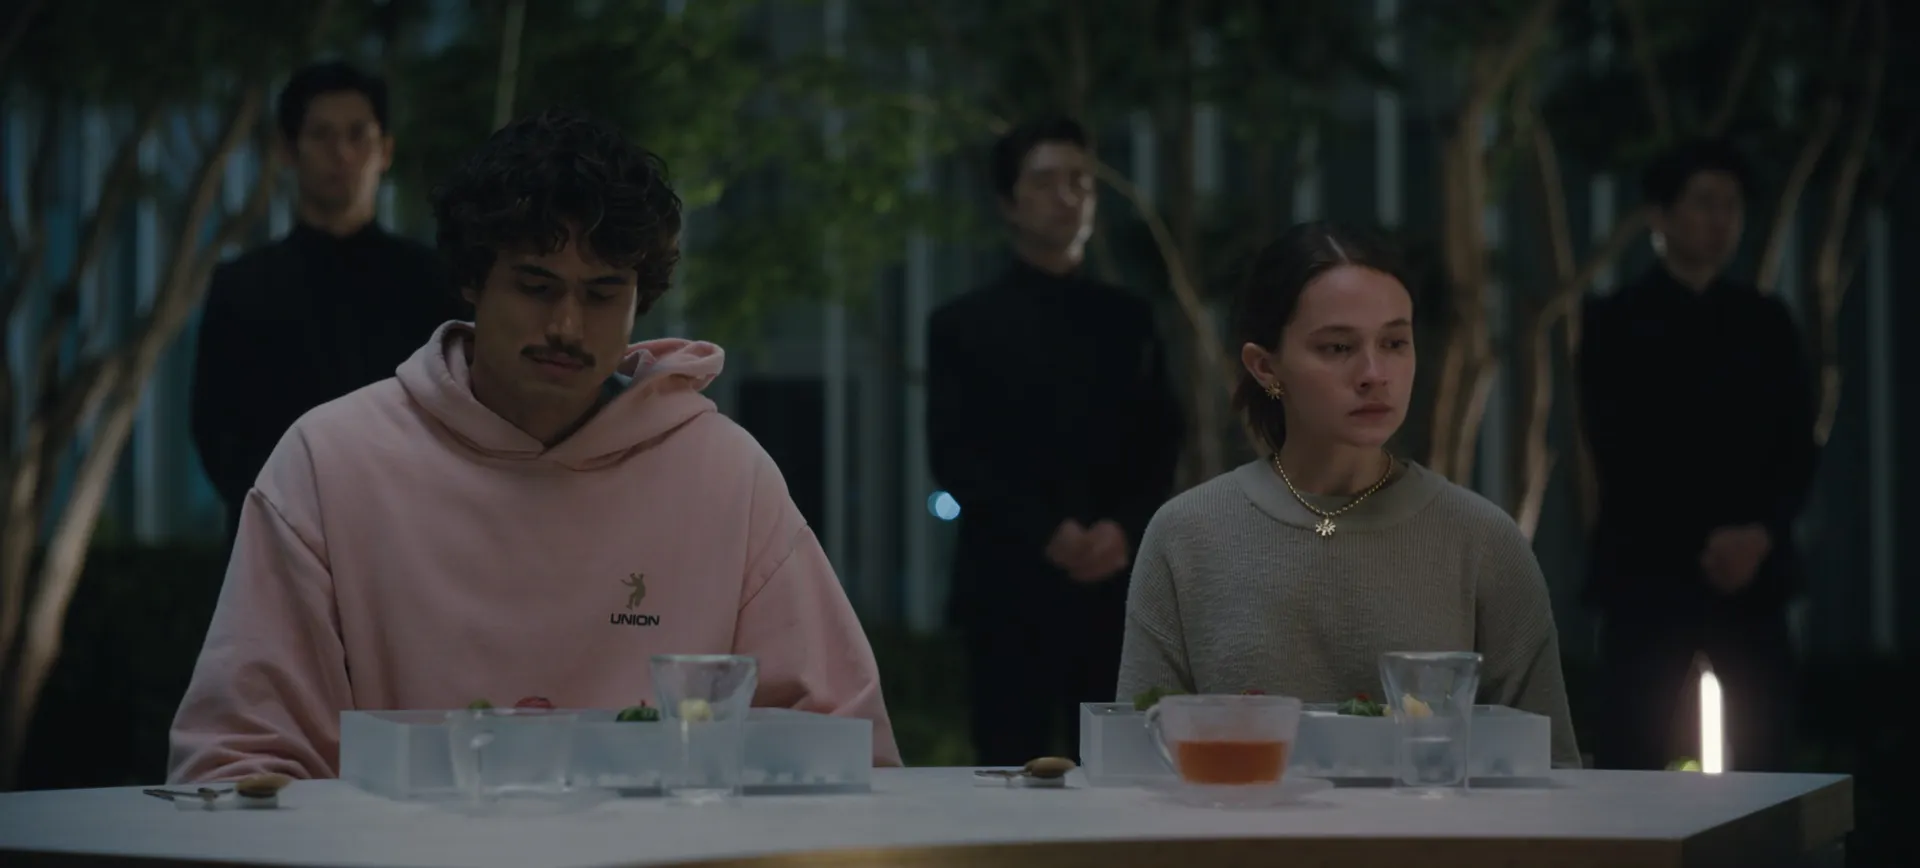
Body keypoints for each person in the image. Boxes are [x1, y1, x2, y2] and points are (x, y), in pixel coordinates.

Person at [168, 109, 901, 783]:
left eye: (602, 293)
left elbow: (845, 749)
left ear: (640, 301)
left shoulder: (725, 476)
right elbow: (240, 758)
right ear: (472, 280)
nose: (567, 327)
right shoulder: (330, 463)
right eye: (536, 285)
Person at [1116, 221, 1581, 768]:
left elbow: (1549, 769)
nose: (1374, 373)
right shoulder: (1186, 534)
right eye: (1338, 347)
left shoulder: (1481, 539)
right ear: (1265, 367)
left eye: (1394, 343)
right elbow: (1135, 761)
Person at [927, 117, 1184, 767]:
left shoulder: (1131, 320)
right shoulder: (962, 325)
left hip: (1115, 586)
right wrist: (1049, 533)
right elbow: (956, 457)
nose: (1067, 197)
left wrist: (1122, 530)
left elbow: (1162, 443)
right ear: (1008, 202)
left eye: (1081, 181)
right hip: (1006, 586)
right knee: (1007, 772)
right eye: (1044, 181)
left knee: (1119, 772)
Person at [1578, 138, 1817, 772]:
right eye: (1704, 203)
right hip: (1649, 570)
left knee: (1769, 759)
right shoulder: (1615, 322)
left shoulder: (1767, 322)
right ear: (1660, 216)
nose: (1720, 220)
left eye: (1732, 206)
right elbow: (1619, 449)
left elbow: (1797, 444)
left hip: (1754, 574)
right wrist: (1708, 540)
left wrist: (1759, 533)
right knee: (1631, 755)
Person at [192, 61, 462, 547]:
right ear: (288, 150)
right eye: (321, 135)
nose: (341, 153)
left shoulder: (437, 282)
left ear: (385, 150)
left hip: (410, 540)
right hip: (278, 540)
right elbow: (217, 431)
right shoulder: (242, 286)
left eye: (358, 134)